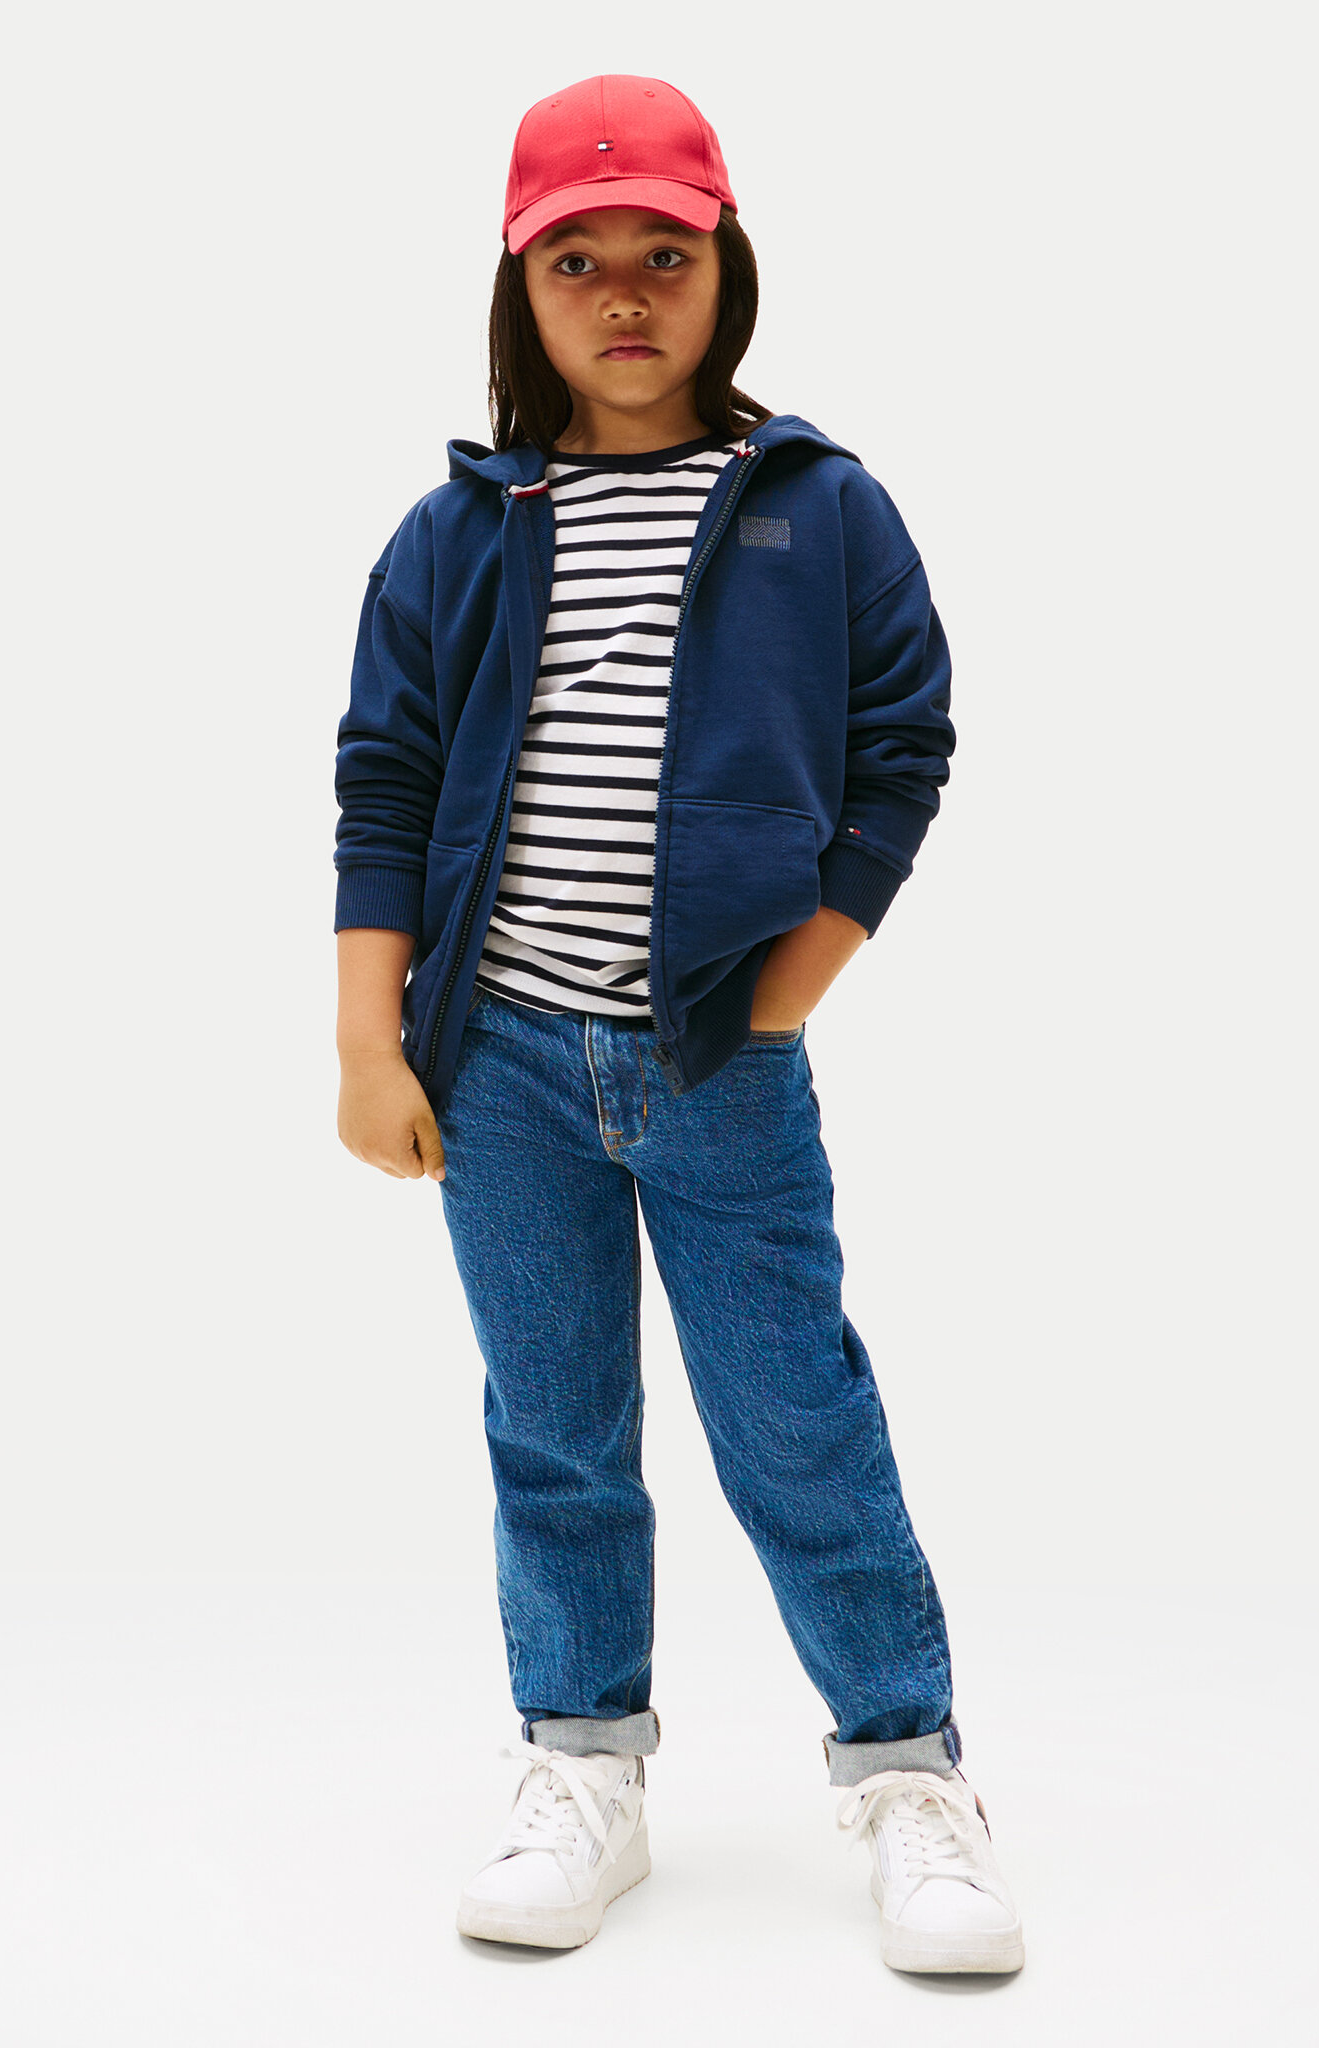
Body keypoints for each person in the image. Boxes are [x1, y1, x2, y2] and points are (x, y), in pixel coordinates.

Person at [333, 73, 1024, 1974]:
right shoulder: (459, 530)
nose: (624, 294)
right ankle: (583, 1765)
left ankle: (908, 1774)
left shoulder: (818, 508)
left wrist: (786, 991)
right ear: (519, 287)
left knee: (795, 1418)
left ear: (729, 271)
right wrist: (371, 1044)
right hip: (499, 1064)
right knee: (553, 1426)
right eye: (578, 262)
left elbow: (903, 750)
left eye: (666, 254)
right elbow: (385, 782)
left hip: (722, 1057)